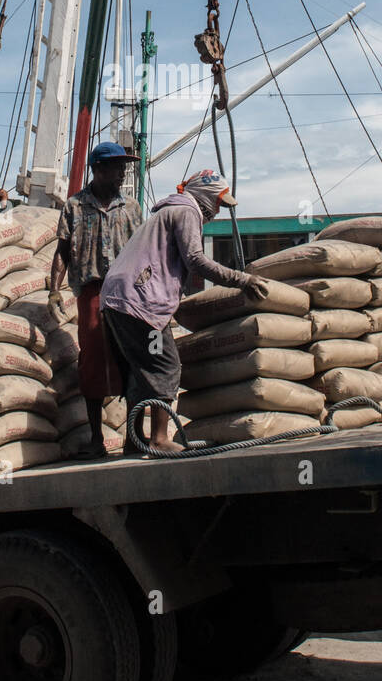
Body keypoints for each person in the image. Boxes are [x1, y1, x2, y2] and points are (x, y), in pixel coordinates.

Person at [100, 169, 269, 455]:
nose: (217, 211)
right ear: (205, 196)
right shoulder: (186, 212)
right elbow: (196, 260)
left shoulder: (167, 212)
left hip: (118, 297)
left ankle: (134, 440)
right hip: (142, 299)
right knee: (165, 366)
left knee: (139, 373)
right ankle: (159, 439)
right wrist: (243, 280)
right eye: (218, 203)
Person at [49, 142, 143, 458]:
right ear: (99, 169)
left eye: (124, 167)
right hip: (91, 291)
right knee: (91, 357)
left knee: (132, 357)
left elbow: (144, 254)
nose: (122, 173)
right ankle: (96, 439)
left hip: (126, 293)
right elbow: (62, 251)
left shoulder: (131, 207)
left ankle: (135, 436)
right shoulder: (75, 206)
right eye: (117, 167)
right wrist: (53, 290)